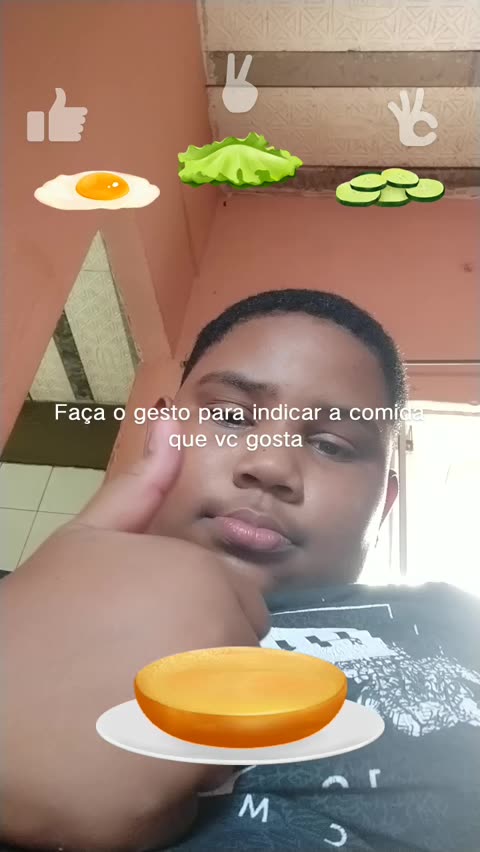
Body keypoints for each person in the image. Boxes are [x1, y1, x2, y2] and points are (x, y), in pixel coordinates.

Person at [1, 289, 479, 852]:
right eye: (230, 416)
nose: (271, 466)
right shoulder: (15, 610)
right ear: (160, 431)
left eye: (332, 445)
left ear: (386, 504)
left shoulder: (458, 628)